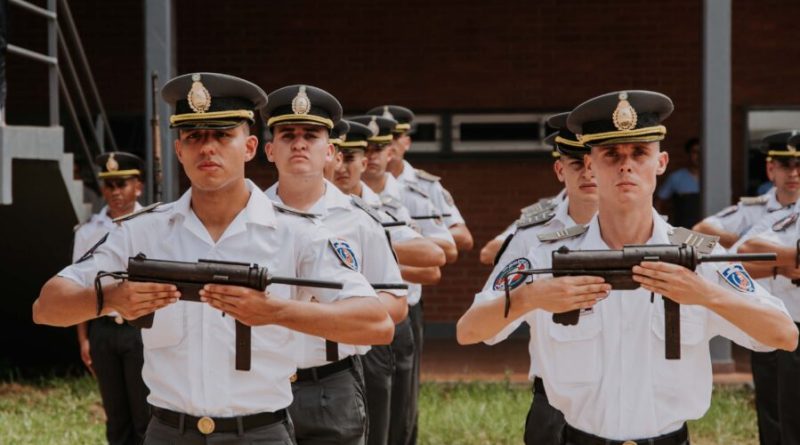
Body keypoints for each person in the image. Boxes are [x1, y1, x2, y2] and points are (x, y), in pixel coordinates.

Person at [33, 72, 393, 445]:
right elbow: (46, 306)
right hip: (168, 432)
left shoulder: (296, 233)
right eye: (194, 137)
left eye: (222, 135)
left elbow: (376, 323)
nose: (207, 148)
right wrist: (111, 299)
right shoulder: (143, 231)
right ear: (179, 150)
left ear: (251, 146)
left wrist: (275, 312)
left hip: (259, 433)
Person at [457, 90, 798, 445]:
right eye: (610, 154)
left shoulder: (696, 256)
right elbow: (469, 331)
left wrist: (706, 295)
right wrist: (530, 297)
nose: (626, 166)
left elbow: (784, 335)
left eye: (639, 153)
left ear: (661, 162)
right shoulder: (546, 254)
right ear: (589, 165)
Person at [262, 84, 407, 445]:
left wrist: (336, 312)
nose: (299, 143)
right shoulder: (249, 219)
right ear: (268, 150)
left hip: (331, 382)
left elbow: (396, 302)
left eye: (310, 135)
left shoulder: (359, 220)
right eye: (287, 135)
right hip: (261, 380)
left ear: (329, 151)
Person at [469, 112, 598, 445]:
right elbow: (479, 330)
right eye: (575, 164)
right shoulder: (532, 236)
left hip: (633, 397)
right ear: (559, 169)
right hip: (557, 396)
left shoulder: (656, 235)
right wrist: (530, 295)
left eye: (598, 160)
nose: (588, 173)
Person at [333, 119, 446, 445]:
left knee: (388, 421)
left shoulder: (381, 209)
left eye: (351, 157)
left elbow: (433, 262)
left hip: (379, 321)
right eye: (337, 156)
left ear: (363, 162)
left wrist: (366, 252)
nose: (341, 166)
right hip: (323, 334)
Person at [74, 151, 149, 445]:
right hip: (103, 328)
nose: (115, 192)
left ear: (138, 186)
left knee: (145, 414)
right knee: (115, 416)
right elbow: (79, 287)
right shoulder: (88, 232)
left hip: (140, 328)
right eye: (109, 185)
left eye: (123, 184)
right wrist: (84, 338)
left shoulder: (153, 223)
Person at [733, 131, 800, 445]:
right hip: (793, 329)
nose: (795, 173)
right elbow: (741, 255)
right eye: (788, 166)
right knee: (788, 424)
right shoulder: (790, 218)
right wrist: (790, 260)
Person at [693, 131, 800, 248]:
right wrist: (745, 245)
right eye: (785, 166)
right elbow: (700, 229)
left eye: (798, 166)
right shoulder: (754, 208)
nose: (793, 174)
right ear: (770, 169)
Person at [656, 137, 701, 227]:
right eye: (695, 152)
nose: (699, 155)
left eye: (701, 152)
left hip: (710, 233)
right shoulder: (676, 177)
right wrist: (662, 225)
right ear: (688, 154)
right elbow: (659, 202)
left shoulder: (714, 178)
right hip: (684, 233)